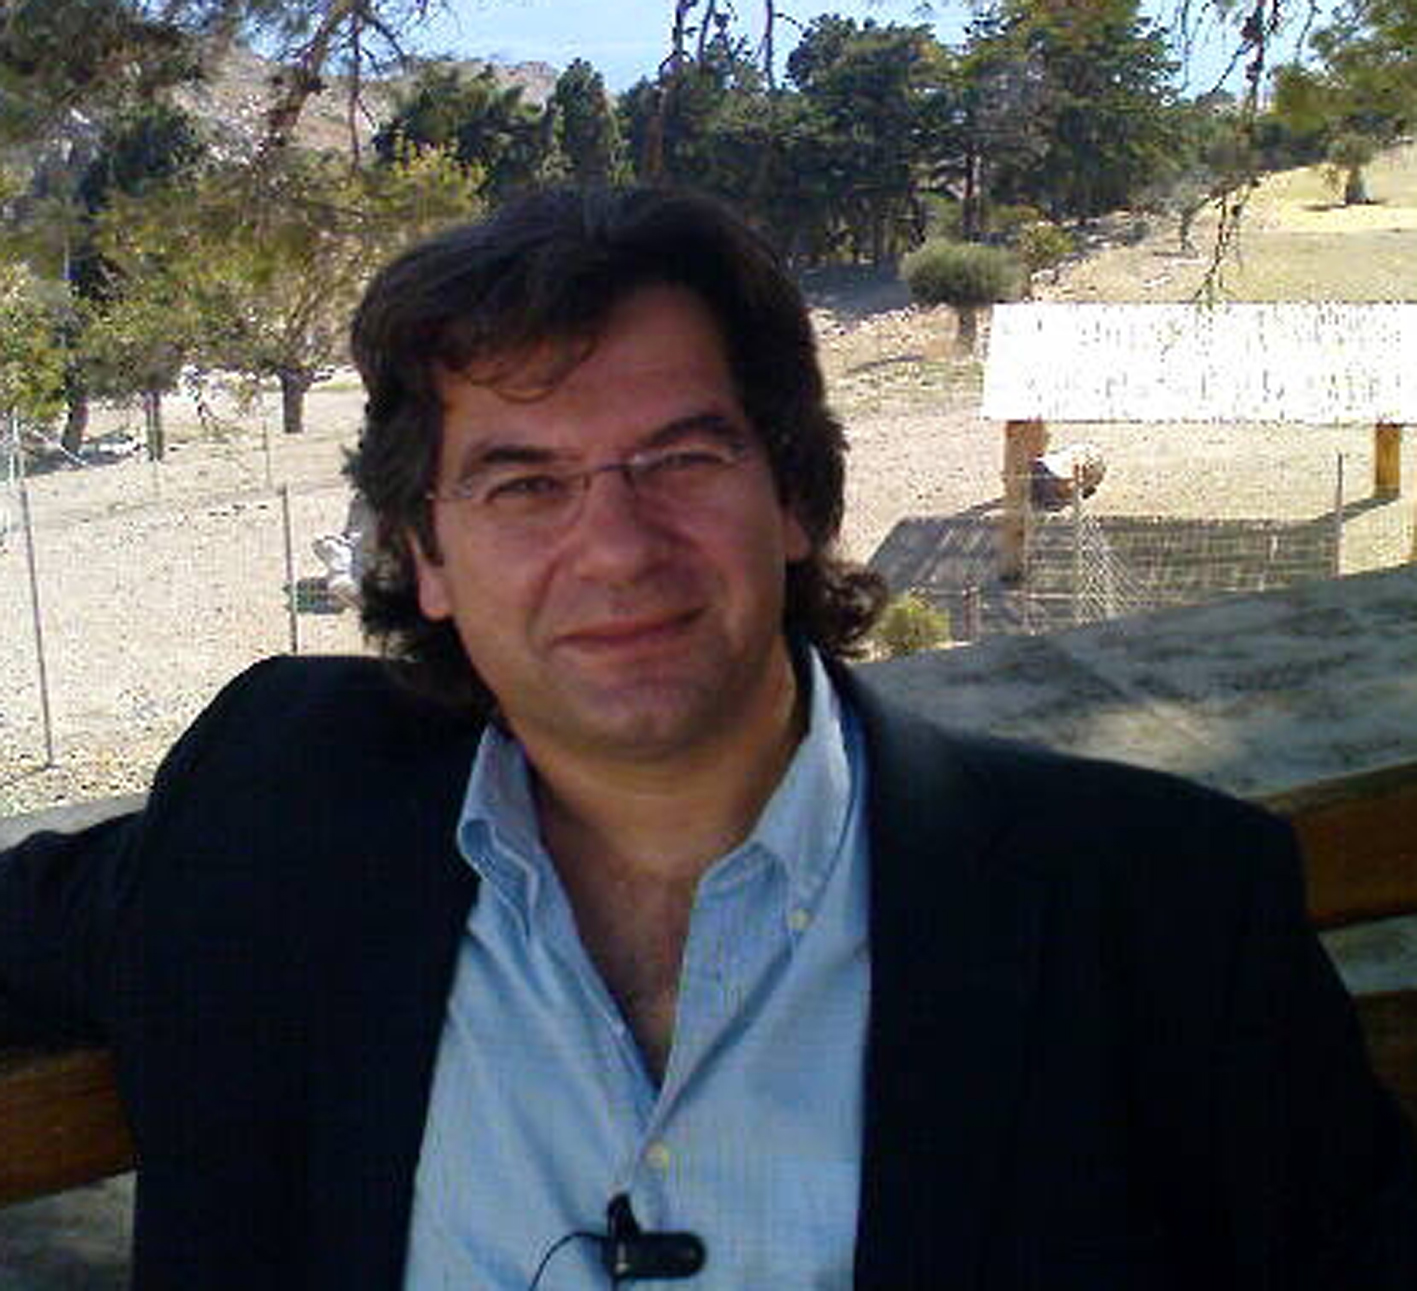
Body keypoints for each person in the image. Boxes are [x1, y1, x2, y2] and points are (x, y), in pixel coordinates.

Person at [1, 186, 1414, 1290]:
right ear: (424, 554)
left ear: (793, 496)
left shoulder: (1157, 910)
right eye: (522, 483)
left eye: (679, 459)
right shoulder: (279, 813)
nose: (616, 548)